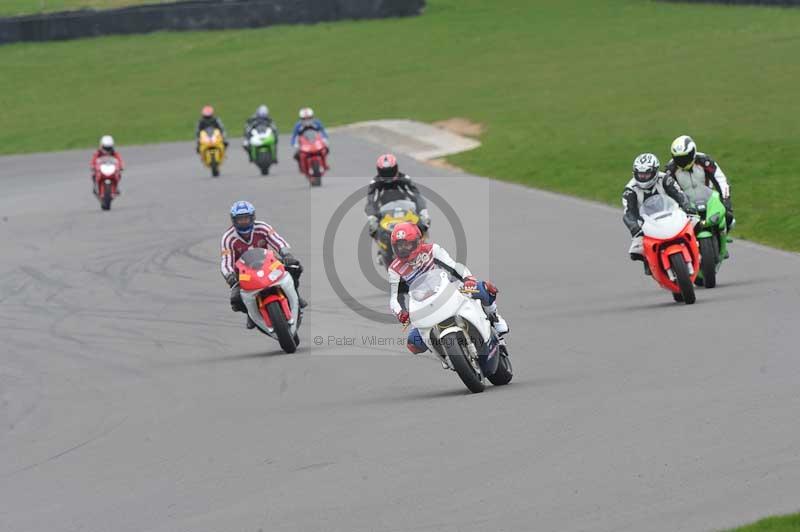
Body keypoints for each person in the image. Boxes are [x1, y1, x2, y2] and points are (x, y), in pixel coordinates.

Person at [388, 222, 508, 356]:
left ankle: (495, 317)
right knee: (413, 342)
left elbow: (454, 267)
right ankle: (444, 354)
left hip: (450, 289)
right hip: (423, 304)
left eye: (407, 244)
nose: (403, 249)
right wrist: (401, 313)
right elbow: (395, 298)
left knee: (484, 288)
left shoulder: (432, 250)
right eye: (399, 246)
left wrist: (467, 279)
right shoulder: (395, 269)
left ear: (417, 241)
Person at [220, 201, 307, 329]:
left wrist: (286, 254)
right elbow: (226, 260)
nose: (243, 222)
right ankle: (250, 314)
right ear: (234, 220)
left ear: (253, 217)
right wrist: (229, 275)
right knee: (236, 299)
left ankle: (296, 297)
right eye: (240, 219)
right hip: (244, 273)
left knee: (295, 268)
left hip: (268, 264)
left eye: (246, 218)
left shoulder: (262, 227)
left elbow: (278, 240)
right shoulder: (228, 238)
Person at [622, 152, 696, 274]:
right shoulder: (630, 190)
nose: (643, 177)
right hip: (647, 223)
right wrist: (634, 227)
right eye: (640, 174)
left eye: (646, 174)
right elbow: (628, 213)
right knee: (636, 250)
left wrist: (687, 206)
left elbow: (679, 194)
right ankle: (649, 260)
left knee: (695, 222)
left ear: (655, 171)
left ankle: (697, 248)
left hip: (671, 214)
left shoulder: (665, 179)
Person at [665, 135, 734, 231]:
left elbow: (721, 180)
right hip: (686, 205)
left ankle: (723, 238)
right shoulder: (671, 169)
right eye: (679, 159)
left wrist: (726, 201)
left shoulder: (705, 161)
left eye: (686, 157)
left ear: (693, 153)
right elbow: (666, 190)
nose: (683, 161)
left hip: (709, 199)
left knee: (729, 218)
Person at [365, 154, 430, 239]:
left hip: (406, 213)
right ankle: (383, 251)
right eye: (385, 172)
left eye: (390, 171)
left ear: (396, 168)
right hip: (386, 217)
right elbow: (371, 202)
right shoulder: (375, 183)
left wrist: (423, 212)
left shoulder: (404, 179)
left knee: (422, 226)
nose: (388, 175)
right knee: (374, 230)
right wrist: (372, 217)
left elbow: (417, 196)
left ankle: (423, 246)